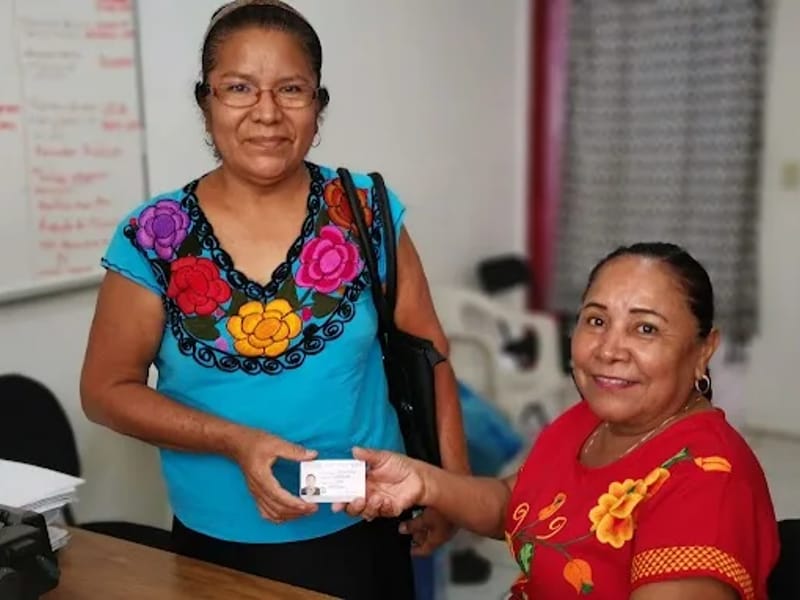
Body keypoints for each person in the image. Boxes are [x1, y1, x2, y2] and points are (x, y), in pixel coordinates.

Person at [79, 1, 469, 598]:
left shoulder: (365, 209)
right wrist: (232, 440)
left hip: (368, 518)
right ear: (206, 102)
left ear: (318, 105)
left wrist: (451, 486)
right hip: (220, 538)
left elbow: (429, 353)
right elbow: (106, 390)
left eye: (291, 89)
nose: (267, 112)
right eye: (239, 87)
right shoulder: (155, 234)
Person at [336, 242, 780, 600]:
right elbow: (513, 505)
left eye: (645, 328)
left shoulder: (707, 480)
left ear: (704, 350)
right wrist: (424, 483)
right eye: (596, 320)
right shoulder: (588, 421)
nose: (609, 349)